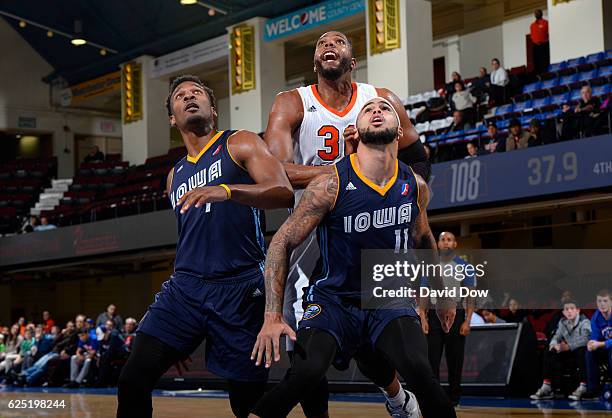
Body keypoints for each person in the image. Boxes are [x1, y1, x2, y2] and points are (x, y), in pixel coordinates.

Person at [250, 97, 457, 418]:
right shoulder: (329, 183)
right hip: (334, 300)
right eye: (368, 109)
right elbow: (281, 242)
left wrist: (442, 293)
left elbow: (423, 238)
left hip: (388, 300)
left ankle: (402, 401)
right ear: (356, 131)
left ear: (399, 131)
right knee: (305, 374)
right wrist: (272, 315)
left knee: (421, 373)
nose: (376, 111)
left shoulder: (414, 185)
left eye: (385, 109)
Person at [264, 30, 429, 417]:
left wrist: (383, 175)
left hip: (369, 223)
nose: (328, 46)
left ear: (352, 60)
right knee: (311, 345)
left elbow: (420, 161)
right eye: (321, 44)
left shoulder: (380, 100)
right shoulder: (293, 103)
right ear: (315, 62)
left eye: (337, 42)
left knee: (368, 331)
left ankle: (397, 397)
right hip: (313, 228)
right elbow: (273, 173)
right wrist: (342, 172)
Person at [116, 75, 294, 418]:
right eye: (180, 96)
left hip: (240, 288)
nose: (189, 97)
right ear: (172, 117)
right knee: (132, 379)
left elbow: (282, 190)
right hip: (185, 290)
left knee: (246, 404)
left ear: (213, 108)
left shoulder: (239, 142)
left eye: (196, 93)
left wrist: (228, 190)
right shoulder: (174, 175)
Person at [420, 232, 476, 406]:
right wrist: (422, 317)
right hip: (434, 316)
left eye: (449, 240)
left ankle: (454, 398)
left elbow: (470, 295)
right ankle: (435, 398)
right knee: (432, 360)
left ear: (455, 244)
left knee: (455, 359)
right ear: (437, 244)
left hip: (457, 314)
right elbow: (424, 293)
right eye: (442, 239)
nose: (445, 242)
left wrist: (467, 320)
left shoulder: (465, 266)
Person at [530, 300, 590, 400]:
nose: (569, 311)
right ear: (563, 312)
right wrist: (554, 344)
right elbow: (556, 336)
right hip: (567, 351)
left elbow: (586, 339)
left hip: (579, 350)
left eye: (572, 309)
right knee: (550, 350)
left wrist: (568, 346)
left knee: (582, 351)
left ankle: (583, 386)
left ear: (578, 310)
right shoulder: (562, 322)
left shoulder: (585, 322)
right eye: (566, 309)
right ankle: (547, 386)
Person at [583, 289, 612, 400]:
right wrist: (591, 343)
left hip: (608, 347)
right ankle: (593, 390)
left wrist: (600, 344)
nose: (602, 304)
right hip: (604, 347)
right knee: (589, 353)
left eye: (605, 301)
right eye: (599, 301)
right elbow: (595, 337)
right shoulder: (596, 317)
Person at [530, 10, 550, 75]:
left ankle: (546, 74)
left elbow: (548, 33)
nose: (536, 14)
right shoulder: (532, 25)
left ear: (541, 14)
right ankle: (538, 76)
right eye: (535, 13)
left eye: (537, 13)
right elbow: (532, 36)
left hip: (544, 45)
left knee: (545, 62)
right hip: (535, 46)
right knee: (536, 63)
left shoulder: (546, 23)